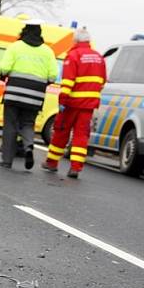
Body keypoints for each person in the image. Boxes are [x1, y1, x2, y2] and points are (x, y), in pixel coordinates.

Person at [41, 27, 106, 178]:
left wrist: (62, 101)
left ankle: (52, 163)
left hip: (72, 103)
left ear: (76, 40)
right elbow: (102, 82)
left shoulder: (73, 56)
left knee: (61, 131)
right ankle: (75, 168)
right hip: (89, 105)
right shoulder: (98, 57)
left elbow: (68, 82)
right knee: (81, 135)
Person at [0, 19, 58, 169]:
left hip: (14, 92)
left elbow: (4, 68)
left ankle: (7, 160)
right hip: (36, 94)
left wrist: (4, 74)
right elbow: (52, 76)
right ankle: (29, 146)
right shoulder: (47, 51)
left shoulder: (16, 46)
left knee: (10, 125)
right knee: (28, 124)